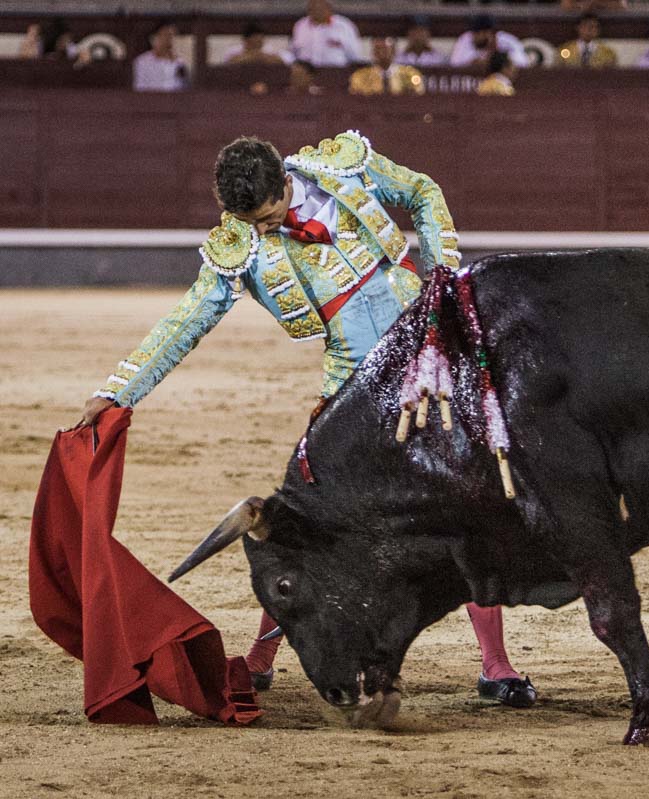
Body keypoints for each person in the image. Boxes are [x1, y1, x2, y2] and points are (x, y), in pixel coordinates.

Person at [76, 131, 537, 709]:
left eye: (269, 218)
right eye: (253, 223)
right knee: (312, 520)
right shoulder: (239, 243)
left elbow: (422, 190)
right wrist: (119, 390)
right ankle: (265, 654)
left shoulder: (341, 169)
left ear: (283, 184)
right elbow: (185, 321)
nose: (264, 231)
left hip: (429, 357)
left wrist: (441, 274)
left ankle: (495, 664)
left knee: (467, 501)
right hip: (350, 384)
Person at [290, 0, 363, 68]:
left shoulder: (344, 26)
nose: (315, 10)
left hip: (336, 72)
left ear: (329, 8)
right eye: (312, 6)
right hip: (306, 73)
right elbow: (294, 52)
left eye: (319, 6)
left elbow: (354, 55)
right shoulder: (301, 25)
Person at [449, 14, 530, 70]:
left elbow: (524, 63)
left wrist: (497, 59)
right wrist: (474, 62)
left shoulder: (508, 41)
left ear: (489, 32)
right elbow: (454, 63)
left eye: (478, 33)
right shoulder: (466, 39)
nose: (473, 36)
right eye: (474, 32)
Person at [350, 38, 425, 96]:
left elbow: (418, 97)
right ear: (373, 52)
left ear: (394, 51)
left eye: (385, 49)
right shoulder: (360, 76)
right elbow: (355, 99)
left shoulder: (409, 74)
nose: (381, 53)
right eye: (378, 49)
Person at [132, 21, 187, 92]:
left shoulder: (180, 63)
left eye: (172, 36)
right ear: (155, 38)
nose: (169, 39)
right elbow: (139, 88)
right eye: (166, 35)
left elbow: (183, 87)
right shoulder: (142, 61)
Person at [225, 21, 291, 66]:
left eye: (260, 42)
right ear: (246, 41)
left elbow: (282, 61)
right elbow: (228, 64)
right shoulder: (234, 51)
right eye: (255, 43)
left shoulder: (268, 50)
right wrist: (250, 57)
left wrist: (262, 57)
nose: (258, 45)